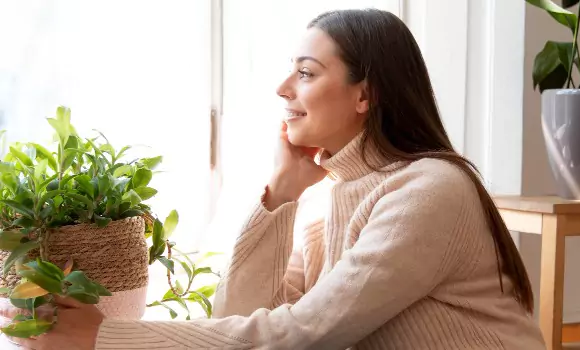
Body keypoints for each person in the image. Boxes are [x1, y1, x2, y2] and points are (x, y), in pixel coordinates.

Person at [2, 9, 545, 350]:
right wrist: (282, 194)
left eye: (306, 73)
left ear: (366, 94)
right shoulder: (328, 200)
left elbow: (307, 334)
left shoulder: (429, 190)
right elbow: (243, 317)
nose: (284, 88)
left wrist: (108, 335)